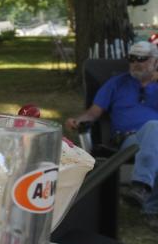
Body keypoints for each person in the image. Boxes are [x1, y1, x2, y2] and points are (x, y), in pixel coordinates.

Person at [65, 41, 158, 225]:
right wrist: (78, 120)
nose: (136, 63)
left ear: (155, 61)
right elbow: (93, 113)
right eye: (131, 58)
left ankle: (148, 202)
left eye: (142, 59)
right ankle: (142, 190)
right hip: (129, 140)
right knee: (153, 127)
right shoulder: (117, 83)